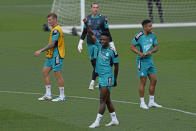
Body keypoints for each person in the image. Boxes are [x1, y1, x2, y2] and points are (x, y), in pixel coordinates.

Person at [83, 17, 119, 128]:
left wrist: (115, 80)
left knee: (102, 100)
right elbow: (90, 33)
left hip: (107, 77)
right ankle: (114, 120)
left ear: (108, 40)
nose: (102, 41)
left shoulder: (113, 51)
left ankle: (97, 121)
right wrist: (86, 24)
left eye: (104, 39)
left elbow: (116, 66)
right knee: (107, 100)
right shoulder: (98, 45)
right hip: (101, 77)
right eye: (101, 39)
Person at [77, 2, 116, 90]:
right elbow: (84, 31)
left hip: (99, 44)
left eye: (97, 7)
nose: (95, 9)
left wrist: (112, 43)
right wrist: (80, 42)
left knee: (97, 61)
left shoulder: (103, 19)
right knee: (93, 63)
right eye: (94, 7)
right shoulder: (87, 18)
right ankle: (100, 78)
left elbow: (107, 31)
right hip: (90, 44)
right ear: (91, 8)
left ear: (98, 9)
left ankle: (93, 81)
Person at [130, 19, 162, 109]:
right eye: (149, 26)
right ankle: (142, 102)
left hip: (150, 61)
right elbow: (131, 47)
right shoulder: (139, 36)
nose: (151, 27)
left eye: (151, 26)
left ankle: (151, 102)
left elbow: (156, 47)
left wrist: (151, 51)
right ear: (144, 27)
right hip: (142, 61)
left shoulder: (153, 35)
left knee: (154, 80)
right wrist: (139, 53)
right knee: (143, 82)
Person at [34, 13, 66, 102]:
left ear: (55, 20)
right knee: (44, 72)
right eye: (48, 20)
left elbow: (52, 44)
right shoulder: (53, 29)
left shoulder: (56, 30)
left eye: (50, 20)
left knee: (58, 75)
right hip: (51, 55)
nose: (49, 21)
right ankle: (48, 94)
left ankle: (62, 96)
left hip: (57, 55)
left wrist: (40, 50)